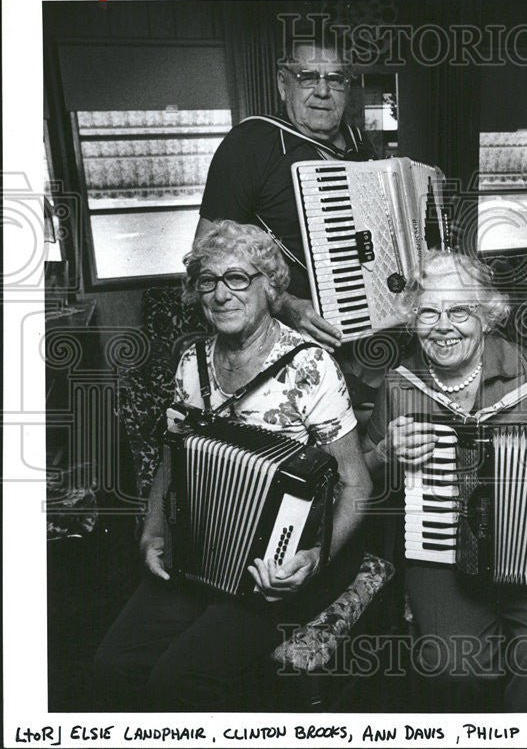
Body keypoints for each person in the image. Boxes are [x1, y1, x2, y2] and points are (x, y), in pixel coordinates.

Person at [94, 220, 374, 711]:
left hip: (282, 563)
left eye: (238, 278)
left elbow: (356, 484)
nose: (221, 293)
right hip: (199, 546)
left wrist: (314, 558)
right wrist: (153, 531)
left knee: (180, 678)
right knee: (112, 665)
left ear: (270, 288)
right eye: (208, 280)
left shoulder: (310, 368)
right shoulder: (192, 361)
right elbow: (172, 456)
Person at [364, 250, 527, 712]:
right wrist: (385, 454)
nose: (443, 326)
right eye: (428, 312)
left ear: (486, 316)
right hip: (440, 553)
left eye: (460, 311)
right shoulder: (399, 384)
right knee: (450, 663)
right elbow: (360, 479)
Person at [198, 38, 377, 349]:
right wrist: (287, 305)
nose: (323, 91)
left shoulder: (359, 145)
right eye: (308, 77)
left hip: (366, 334)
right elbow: (206, 257)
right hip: (281, 339)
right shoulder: (250, 144)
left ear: (347, 89)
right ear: (283, 84)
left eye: (335, 79)